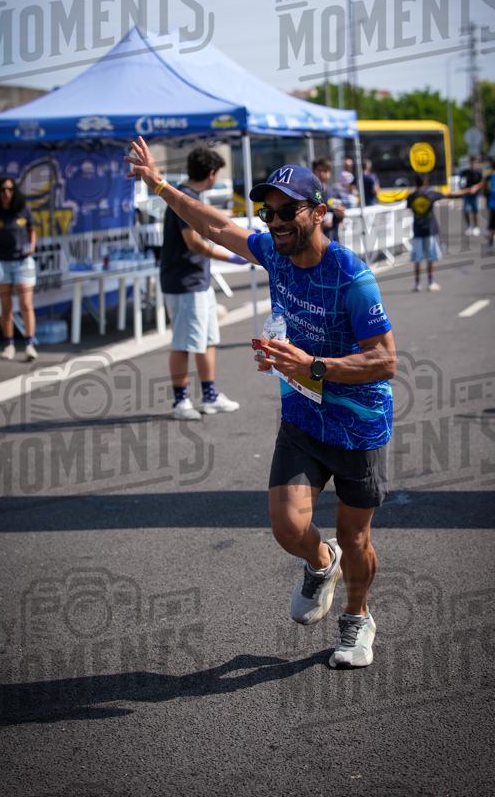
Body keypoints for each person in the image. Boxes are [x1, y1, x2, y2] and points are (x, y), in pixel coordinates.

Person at [126, 137, 396, 669]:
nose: (275, 221)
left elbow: (385, 361)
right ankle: (321, 563)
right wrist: (159, 187)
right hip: (302, 416)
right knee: (288, 527)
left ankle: (357, 618)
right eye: (268, 212)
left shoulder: (352, 277)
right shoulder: (274, 253)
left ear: (318, 212)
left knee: (355, 536)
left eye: (287, 211)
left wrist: (311, 365)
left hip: (358, 425)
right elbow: (215, 226)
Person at [160, 146, 243, 421]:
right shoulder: (185, 198)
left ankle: (210, 397)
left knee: (207, 339)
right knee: (183, 343)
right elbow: (193, 242)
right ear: (211, 174)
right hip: (184, 281)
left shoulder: (186, 195)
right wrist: (229, 257)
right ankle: (180, 402)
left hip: (197, 280)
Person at [0, 176, 38, 361]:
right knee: (6, 306)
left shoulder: (23, 208)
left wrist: (32, 245)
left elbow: (32, 229)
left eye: (10, 189)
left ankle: (29, 345)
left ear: (15, 191)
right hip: (2, 263)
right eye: (3, 189)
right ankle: (9, 345)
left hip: (23, 262)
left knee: (26, 304)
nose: (7, 193)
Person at [407, 172, 467, 292]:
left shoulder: (411, 197)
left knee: (417, 259)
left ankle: (417, 283)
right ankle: (430, 282)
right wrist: (467, 190)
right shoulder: (430, 193)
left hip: (417, 230)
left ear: (414, 182)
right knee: (430, 257)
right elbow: (449, 194)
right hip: (430, 229)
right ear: (425, 182)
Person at [313, 156, 344, 242]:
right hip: (315, 241)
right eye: (319, 170)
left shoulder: (334, 193)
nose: (322, 173)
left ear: (329, 173)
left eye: (325, 171)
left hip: (332, 239)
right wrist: (320, 226)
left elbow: (338, 218)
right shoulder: (309, 193)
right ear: (313, 171)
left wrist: (341, 215)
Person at [459, 156, 484, 236]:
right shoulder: (465, 172)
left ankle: (476, 227)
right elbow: (460, 182)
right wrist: (463, 190)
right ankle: (468, 226)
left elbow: (482, 183)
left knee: (476, 211)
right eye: (472, 162)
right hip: (467, 195)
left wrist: (475, 187)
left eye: (474, 162)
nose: (473, 164)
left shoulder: (478, 173)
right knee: (466, 210)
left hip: (476, 195)